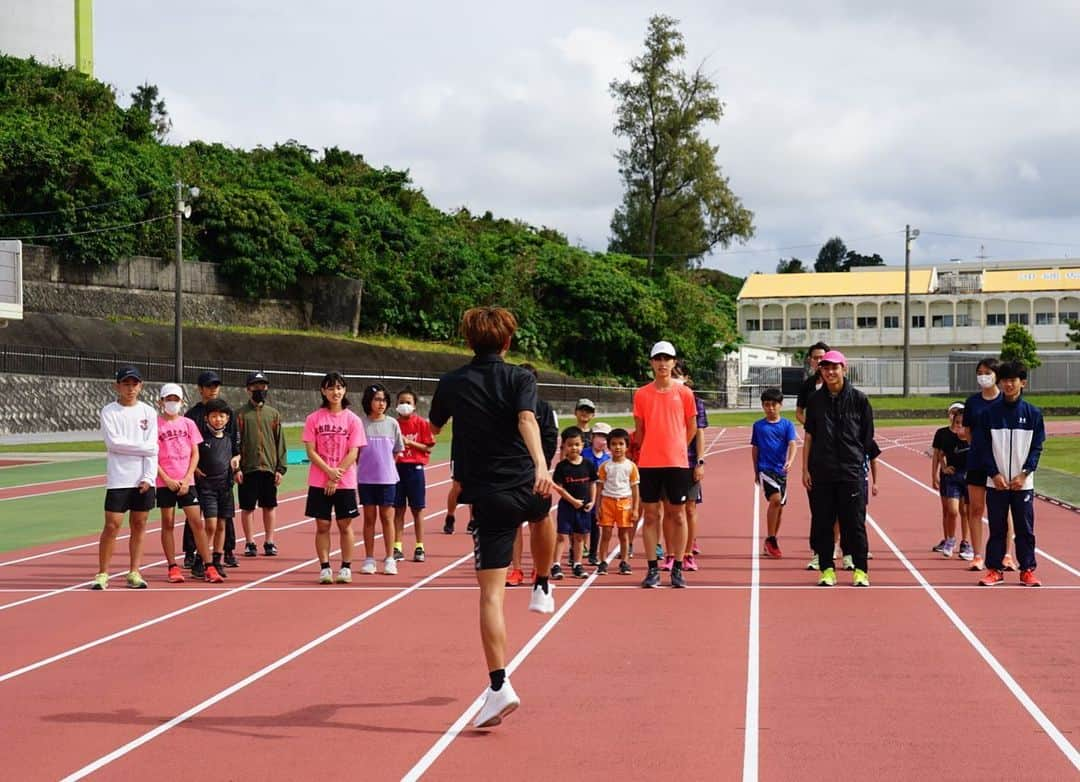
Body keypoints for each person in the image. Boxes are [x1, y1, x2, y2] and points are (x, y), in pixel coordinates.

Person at [428, 306, 554, 729]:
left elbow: (434, 426)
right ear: (507, 341)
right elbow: (526, 418)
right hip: (528, 485)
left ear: (468, 341)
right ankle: (542, 583)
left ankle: (499, 686)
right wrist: (541, 465)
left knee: (491, 597)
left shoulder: (451, 383)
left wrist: (415, 440)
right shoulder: (521, 377)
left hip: (491, 498)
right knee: (542, 512)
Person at [801, 350, 875, 587]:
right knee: (823, 522)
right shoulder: (815, 401)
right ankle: (827, 570)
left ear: (844, 369)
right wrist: (805, 468)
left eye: (835, 367)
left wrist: (855, 460)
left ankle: (861, 570)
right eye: (825, 368)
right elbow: (809, 435)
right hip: (822, 470)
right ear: (820, 371)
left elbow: (867, 437)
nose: (830, 372)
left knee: (854, 523)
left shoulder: (860, 400)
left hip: (851, 471)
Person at [633, 340, 698, 589]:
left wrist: (679, 446)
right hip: (649, 462)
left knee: (678, 515)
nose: (662, 363)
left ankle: (678, 567)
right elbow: (640, 431)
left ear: (674, 362)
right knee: (651, 516)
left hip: (677, 463)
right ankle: (652, 569)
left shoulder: (684, 393)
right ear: (652, 363)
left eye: (666, 359)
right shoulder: (641, 394)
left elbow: (692, 426)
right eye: (658, 359)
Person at [974, 361, 1045, 587]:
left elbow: (1036, 448)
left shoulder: (1033, 414)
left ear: (1022, 383)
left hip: (1022, 484)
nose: (1008, 384)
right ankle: (995, 569)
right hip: (997, 483)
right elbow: (983, 447)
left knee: (1024, 528)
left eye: (1013, 380)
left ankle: (1027, 570)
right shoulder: (989, 414)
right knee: (997, 527)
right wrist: (994, 474)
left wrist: (1024, 474)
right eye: (1004, 380)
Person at [93, 366, 158, 590]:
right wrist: (143, 448)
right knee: (112, 525)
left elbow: (153, 449)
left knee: (139, 524)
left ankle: (134, 571)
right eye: (126, 384)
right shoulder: (109, 412)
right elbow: (114, 444)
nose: (130, 388)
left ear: (141, 386)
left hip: (143, 479)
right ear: (117, 386)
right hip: (119, 478)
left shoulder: (149, 412)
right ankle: (102, 573)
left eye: (134, 384)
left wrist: (149, 477)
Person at [156, 382, 222, 584]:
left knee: (197, 523)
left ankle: (208, 565)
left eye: (175, 399)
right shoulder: (155, 425)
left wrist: (187, 478)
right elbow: (151, 455)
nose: (172, 403)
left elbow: (195, 453)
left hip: (187, 481)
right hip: (164, 481)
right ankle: (172, 567)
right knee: (167, 523)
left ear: (182, 402)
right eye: (169, 399)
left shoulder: (188, 424)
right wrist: (167, 479)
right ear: (161, 402)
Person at [304, 373, 365, 583]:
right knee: (322, 525)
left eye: (339, 387)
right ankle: (325, 567)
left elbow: (353, 452)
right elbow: (311, 451)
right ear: (323, 391)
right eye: (330, 388)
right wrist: (327, 472)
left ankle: (346, 567)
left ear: (345, 390)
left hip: (345, 481)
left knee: (344, 524)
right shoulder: (313, 419)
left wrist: (335, 475)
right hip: (319, 480)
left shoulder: (353, 420)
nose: (335, 392)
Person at [507, 362, 558, 587]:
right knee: (514, 523)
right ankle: (516, 569)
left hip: (536, 473)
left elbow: (550, 437)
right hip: (512, 472)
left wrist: (541, 465)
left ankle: (539, 568)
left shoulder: (544, 408)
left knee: (539, 521)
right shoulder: (507, 406)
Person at [185, 371, 241, 569]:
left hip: (223, 477)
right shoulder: (192, 415)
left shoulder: (228, 412)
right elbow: (187, 445)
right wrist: (194, 467)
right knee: (195, 516)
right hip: (199, 475)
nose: (213, 389)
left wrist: (236, 460)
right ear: (200, 389)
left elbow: (234, 442)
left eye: (216, 385)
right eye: (209, 386)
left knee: (223, 520)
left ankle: (225, 552)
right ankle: (193, 553)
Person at [962, 357, 1012, 572]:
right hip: (976, 462)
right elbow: (968, 432)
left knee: (1003, 510)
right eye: (980, 372)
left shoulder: (1005, 401)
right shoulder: (972, 402)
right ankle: (977, 554)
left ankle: (1007, 555)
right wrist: (979, 451)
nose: (983, 376)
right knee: (976, 508)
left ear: (997, 375)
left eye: (987, 372)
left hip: (1001, 463)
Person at [356, 383, 405, 575]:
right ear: (369, 401)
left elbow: (396, 451)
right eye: (377, 399)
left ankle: (390, 558)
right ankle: (369, 558)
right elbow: (357, 452)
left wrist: (386, 467)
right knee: (369, 519)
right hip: (366, 480)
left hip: (387, 480)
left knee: (387, 518)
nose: (381, 403)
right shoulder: (361, 424)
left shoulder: (392, 423)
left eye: (384, 400)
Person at [237, 371, 287, 556]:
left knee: (269, 505)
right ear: (248, 389)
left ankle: (269, 541)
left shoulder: (273, 414)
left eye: (263, 386)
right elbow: (235, 442)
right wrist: (236, 468)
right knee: (247, 507)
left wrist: (280, 468)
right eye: (256, 386)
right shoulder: (240, 414)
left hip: (268, 467)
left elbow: (280, 442)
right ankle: (249, 542)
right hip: (248, 468)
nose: (260, 389)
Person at [795, 342, 831, 571]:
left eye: (823, 358)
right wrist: (811, 426)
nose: (819, 362)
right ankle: (819, 551)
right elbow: (799, 412)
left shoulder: (840, 386)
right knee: (818, 507)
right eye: (815, 358)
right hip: (817, 450)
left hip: (839, 452)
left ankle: (838, 547)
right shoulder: (808, 386)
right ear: (810, 360)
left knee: (840, 506)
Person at [751, 387, 797, 559]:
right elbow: (755, 449)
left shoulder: (787, 425)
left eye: (773, 405)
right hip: (765, 469)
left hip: (781, 471)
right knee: (775, 500)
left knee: (780, 508)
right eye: (766, 405)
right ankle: (771, 539)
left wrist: (790, 461)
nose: (770, 408)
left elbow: (792, 444)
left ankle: (772, 539)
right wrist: (756, 470)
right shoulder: (759, 426)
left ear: (780, 406)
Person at [195, 398, 238, 578]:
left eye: (222, 416)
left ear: (227, 419)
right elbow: (192, 456)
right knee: (210, 525)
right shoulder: (201, 439)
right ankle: (202, 559)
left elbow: (237, 454)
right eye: (214, 416)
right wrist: (195, 469)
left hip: (225, 488)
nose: (218, 419)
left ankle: (217, 559)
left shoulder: (229, 439)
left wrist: (238, 462)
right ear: (207, 418)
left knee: (222, 524)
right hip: (207, 488)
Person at [393, 386, 436, 563]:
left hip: (415, 470)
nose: (404, 405)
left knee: (417, 510)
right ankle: (397, 546)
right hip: (396, 469)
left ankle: (420, 546)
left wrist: (409, 442)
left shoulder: (421, 424)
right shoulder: (393, 424)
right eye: (401, 402)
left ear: (414, 406)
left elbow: (428, 447)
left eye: (408, 402)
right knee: (398, 510)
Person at [552, 426, 599, 579]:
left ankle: (577, 564)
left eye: (577, 444)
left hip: (583, 507)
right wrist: (572, 501)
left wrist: (592, 501)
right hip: (567, 507)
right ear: (564, 446)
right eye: (570, 445)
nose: (574, 448)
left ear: (583, 445)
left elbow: (593, 483)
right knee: (562, 536)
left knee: (580, 537)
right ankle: (556, 565)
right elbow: (559, 488)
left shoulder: (588, 465)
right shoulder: (561, 467)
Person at [673, 359, 707, 569]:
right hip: (668, 461)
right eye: (673, 374)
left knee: (690, 507)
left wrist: (700, 462)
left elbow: (700, 434)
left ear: (686, 378)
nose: (676, 379)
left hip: (690, 459)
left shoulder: (696, 402)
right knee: (671, 509)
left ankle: (687, 551)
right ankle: (671, 552)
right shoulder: (661, 399)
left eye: (679, 375)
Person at [595, 428, 640, 575]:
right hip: (607, 503)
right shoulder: (604, 466)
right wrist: (597, 508)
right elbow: (599, 488)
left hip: (624, 503)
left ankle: (624, 561)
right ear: (609, 446)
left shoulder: (631, 466)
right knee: (606, 533)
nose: (617, 447)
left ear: (627, 447)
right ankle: (602, 561)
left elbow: (635, 490)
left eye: (621, 444)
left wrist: (635, 509)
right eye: (614, 444)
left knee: (624, 535)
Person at [931, 402, 970, 559]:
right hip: (950, 477)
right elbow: (938, 454)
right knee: (949, 510)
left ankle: (965, 543)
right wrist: (939, 471)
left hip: (967, 477)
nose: (959, 425)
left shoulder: (971, 435)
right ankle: (949, 539)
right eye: (956, 419)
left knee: (965, 511)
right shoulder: (942, 433)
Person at [581, 422, 611, 566]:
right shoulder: (583, 453)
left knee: (595, 525)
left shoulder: (607, 459)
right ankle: (575, 552)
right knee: (578, 526)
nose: (602, 440)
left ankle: (593, 554)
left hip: (599, 498)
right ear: (592, 437)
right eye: (599, 436)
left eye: (605, 437)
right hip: (581, 493)